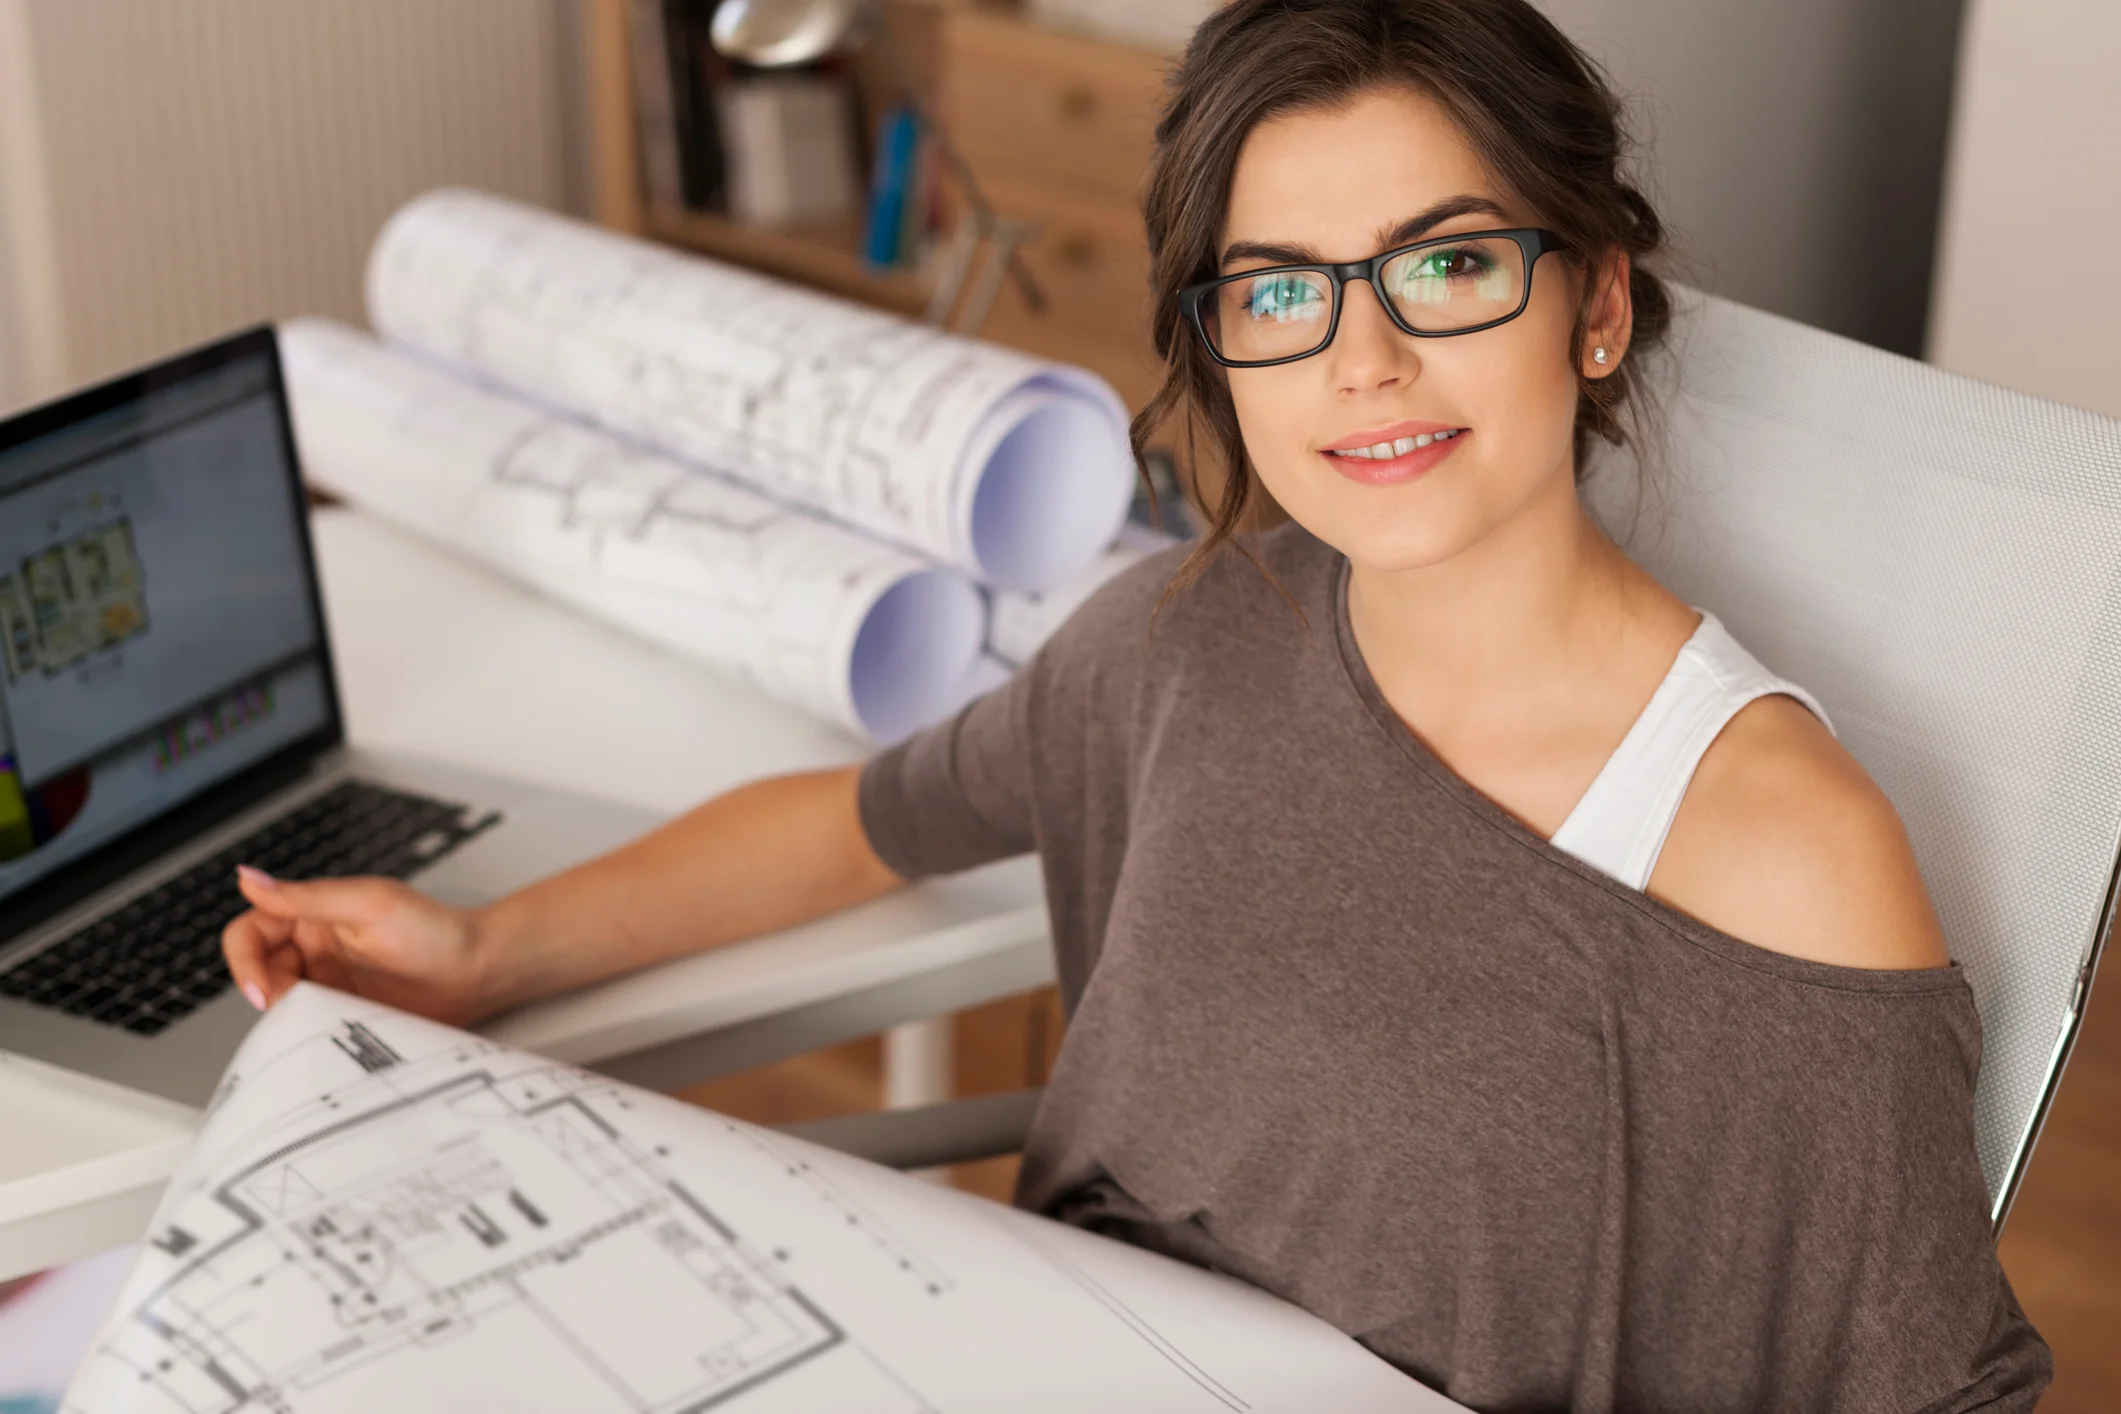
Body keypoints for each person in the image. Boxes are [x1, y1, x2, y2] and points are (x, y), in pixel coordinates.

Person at [222, 0, 2050, 1406]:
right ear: (1218, 349)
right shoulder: (1200, 633)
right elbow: (869, 820)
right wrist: (484, 959)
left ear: (1595, 306)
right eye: (1280, 290)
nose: (1365, 356)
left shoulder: (1777, 855)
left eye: (1451, 260)